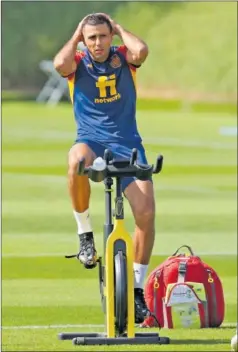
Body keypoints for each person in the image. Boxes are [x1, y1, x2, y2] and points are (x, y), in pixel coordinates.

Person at [53, 13, 155, 324]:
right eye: (91, 37)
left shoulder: (125, 58)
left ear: (111, 37)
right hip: (91, 141)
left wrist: (120, 27)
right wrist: (76, 35)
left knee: (147, 212)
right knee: (75, 160)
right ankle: (85, 234)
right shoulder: (78, 62)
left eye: (103, 36)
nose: (98, 43)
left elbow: (143, 51)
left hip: (128, 144)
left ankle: (136, 290)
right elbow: (60, 65)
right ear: (84, 40)